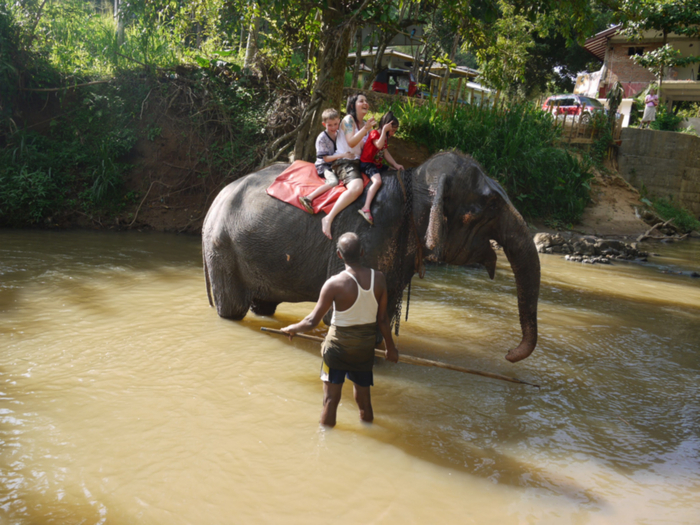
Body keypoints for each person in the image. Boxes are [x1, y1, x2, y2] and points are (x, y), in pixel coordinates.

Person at [281, 232, 399, 428]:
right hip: (363, 351)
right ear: (362, 252)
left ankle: (325, 443)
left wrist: (292, 328)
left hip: (336, 351)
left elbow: (312, 321)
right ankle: (369, 434)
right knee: (364, 400)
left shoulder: (334, 284)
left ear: (338, 255)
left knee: (330, 401)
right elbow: (383, 319)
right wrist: (390, 348)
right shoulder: (378, 279)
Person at [320, 93, 377, 240]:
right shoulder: (348, 120)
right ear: (353, 105)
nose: (366, 103)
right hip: (344, 161)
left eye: (366, 101)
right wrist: (366, 129)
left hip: (358, 162)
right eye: (361, 101)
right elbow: (351, 142)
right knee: (357, 187)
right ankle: (328, 218)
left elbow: (366, 148)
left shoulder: (364, 124)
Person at [298, 108, 353, 214]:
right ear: (324, 124)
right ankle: (308, 197)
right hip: (324, 165)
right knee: (333, 181)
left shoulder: (339, 133)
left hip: (336, 163)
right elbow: (325, 158)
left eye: (336, 124)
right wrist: (342, 155)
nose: (333, 127)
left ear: (339, 122)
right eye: (330, 125)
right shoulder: (322, 138)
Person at [357, 111, 404, 225]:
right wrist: (383, 131)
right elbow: (378, 145)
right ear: (385, 126)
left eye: (394, 131)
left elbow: (385, 152)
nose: (392, 133)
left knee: (391, 171)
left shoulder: (384, 138)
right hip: (367, 163)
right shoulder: (374, 133)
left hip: (376, 164)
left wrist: (395, 164)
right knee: (377, 181)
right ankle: (366, 207)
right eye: (391, 130)